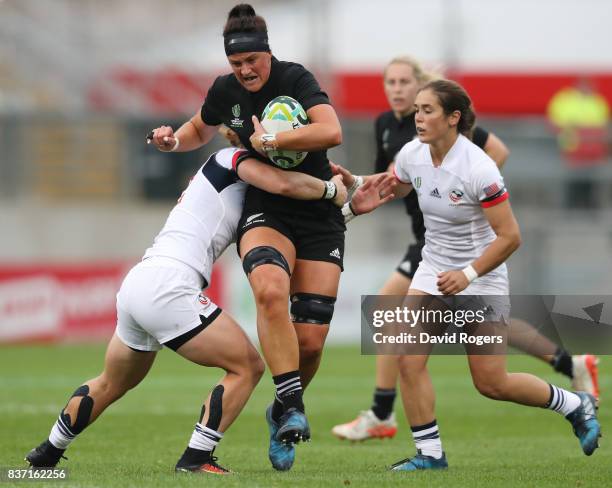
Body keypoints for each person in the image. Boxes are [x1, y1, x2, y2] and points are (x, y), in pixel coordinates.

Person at [24, 145, 388, 474]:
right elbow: (288, 186)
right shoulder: (231, 159)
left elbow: (292, 226)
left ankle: (48, 452)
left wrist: (347, 208)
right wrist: (334, 189)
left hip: (141, 281)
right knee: (248, 366)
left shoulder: (244, 183)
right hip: (170, 287)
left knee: (111, 381)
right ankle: (197, 458)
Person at [332, 57, 599, 443]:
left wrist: (468, 274)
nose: (418, 118)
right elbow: (397, 182)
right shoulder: (411, 152)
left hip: (481, 276)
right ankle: (429, 453)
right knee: (406, 356)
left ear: (453, 117)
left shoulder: (480, 168)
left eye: (427, 111)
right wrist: (358, 183)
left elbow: (510, 237)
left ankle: (574, 405)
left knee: (492, 383)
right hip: (432, 268)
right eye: (418, 111)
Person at [148, 3, 353, 471]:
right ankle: (294, 405)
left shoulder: (295, 78)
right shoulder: (226, 89)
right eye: (236, 64)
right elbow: (200, 127)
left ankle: (280, 410)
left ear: (267, 54)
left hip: (320, 214)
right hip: (267, 206)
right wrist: (173, 141)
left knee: (312, 344)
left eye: (251, 62)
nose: (244, 71)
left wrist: (275, 141)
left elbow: (332, 130)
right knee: (268, 290)